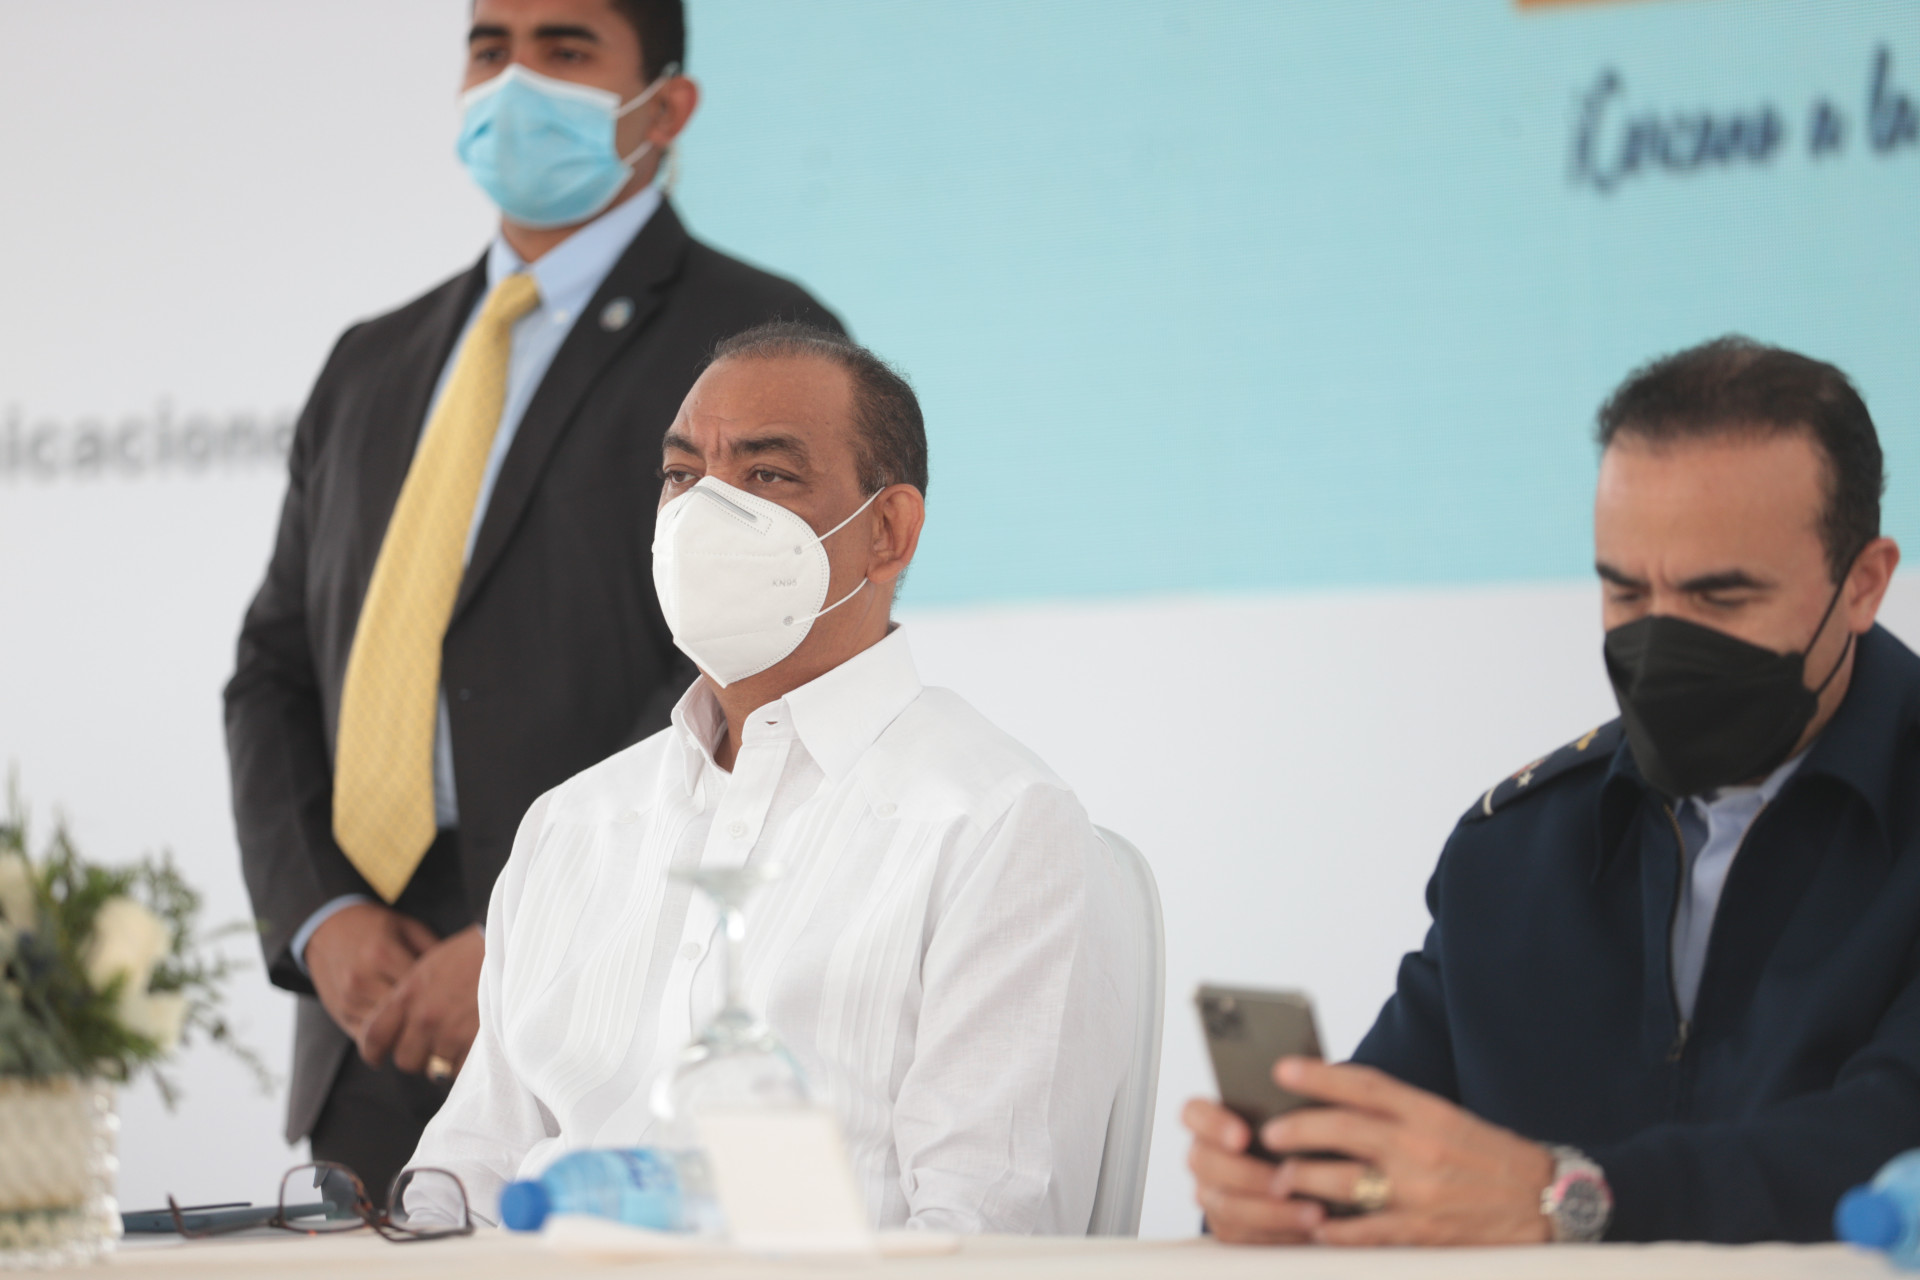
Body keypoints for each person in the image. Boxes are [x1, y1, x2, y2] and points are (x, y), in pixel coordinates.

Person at [223, 0, 842, 1202]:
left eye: (564, 49)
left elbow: (770, 664)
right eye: (489, 47)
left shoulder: (766, 347)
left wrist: (531, 933)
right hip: (373, 1018)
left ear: (667, 107)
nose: (515, 80)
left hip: (624, 1000)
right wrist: (320, 915)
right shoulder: (370, 361)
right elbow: (274, 667)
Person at [405, 323, 1136, 1233]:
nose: (704, 514)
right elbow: (463, 1175)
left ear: (887, 532)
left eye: (766, 475)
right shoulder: (572, 825)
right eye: (682, 476)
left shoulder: (994, 826)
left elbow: (981, 1234)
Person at [1185, 336, 1916, 1245]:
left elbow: (1886, 1144)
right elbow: (1389, 1145)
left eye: (1720, 599)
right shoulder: (1513, 854)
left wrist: (1568, 1197)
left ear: (1864, 585)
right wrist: (1282, 1197)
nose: (1662, 641)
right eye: (1626, 593)